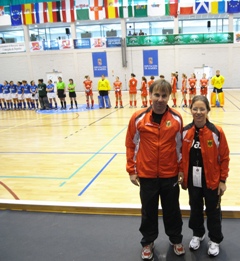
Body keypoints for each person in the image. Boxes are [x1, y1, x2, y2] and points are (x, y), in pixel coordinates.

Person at [126, 79, 185, 260]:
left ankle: (175, 239)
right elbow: (131, 144)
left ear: (169, 97)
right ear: (150, 95)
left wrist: (181, 169)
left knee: (172, 210)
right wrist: (132, 169)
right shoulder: (138, 118)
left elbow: (180, 147)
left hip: (170, 175)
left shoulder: (176, 118)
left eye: (164, 95)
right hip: (147, 174)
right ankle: (148, 242)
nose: (160, 99)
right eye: (157, 95)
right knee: (148, 211)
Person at [181, 95, 230, 257]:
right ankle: (198, 234)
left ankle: (215, 239)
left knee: (213, 211)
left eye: (202, 109)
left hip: (212, 181)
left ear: (208, 110)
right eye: (195, 109)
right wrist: (182, 173)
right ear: (191, 110)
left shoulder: (217, 132)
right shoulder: (185, 132)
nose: (198, 112)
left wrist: (222, 181)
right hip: (193, 181)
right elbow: (180, 156)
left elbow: (224, 157)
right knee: (195, 209)